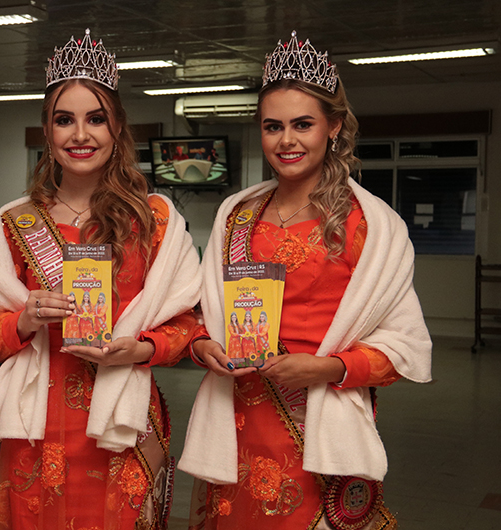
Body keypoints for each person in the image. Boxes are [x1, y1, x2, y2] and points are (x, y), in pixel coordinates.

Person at [179, 31, 432, 529]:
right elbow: (202, 315)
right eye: (272, 126)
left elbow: (404, 348)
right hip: (237, 420)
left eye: (303, 124)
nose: (286, 140)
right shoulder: (236, 214)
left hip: (318, 426)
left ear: (333, 126)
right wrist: (203, 345)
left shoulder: (370, 226)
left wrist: (327, 368)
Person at [0, 28, 202, 530]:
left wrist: (141, 348)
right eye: (65, 120)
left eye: (96, 119)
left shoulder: (155, 220)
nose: (80, 134)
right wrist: (26, 319)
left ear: (117, 126)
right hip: (35, 425)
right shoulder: (11, 225)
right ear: (47, 130)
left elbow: (190, 323)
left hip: (123, 422)